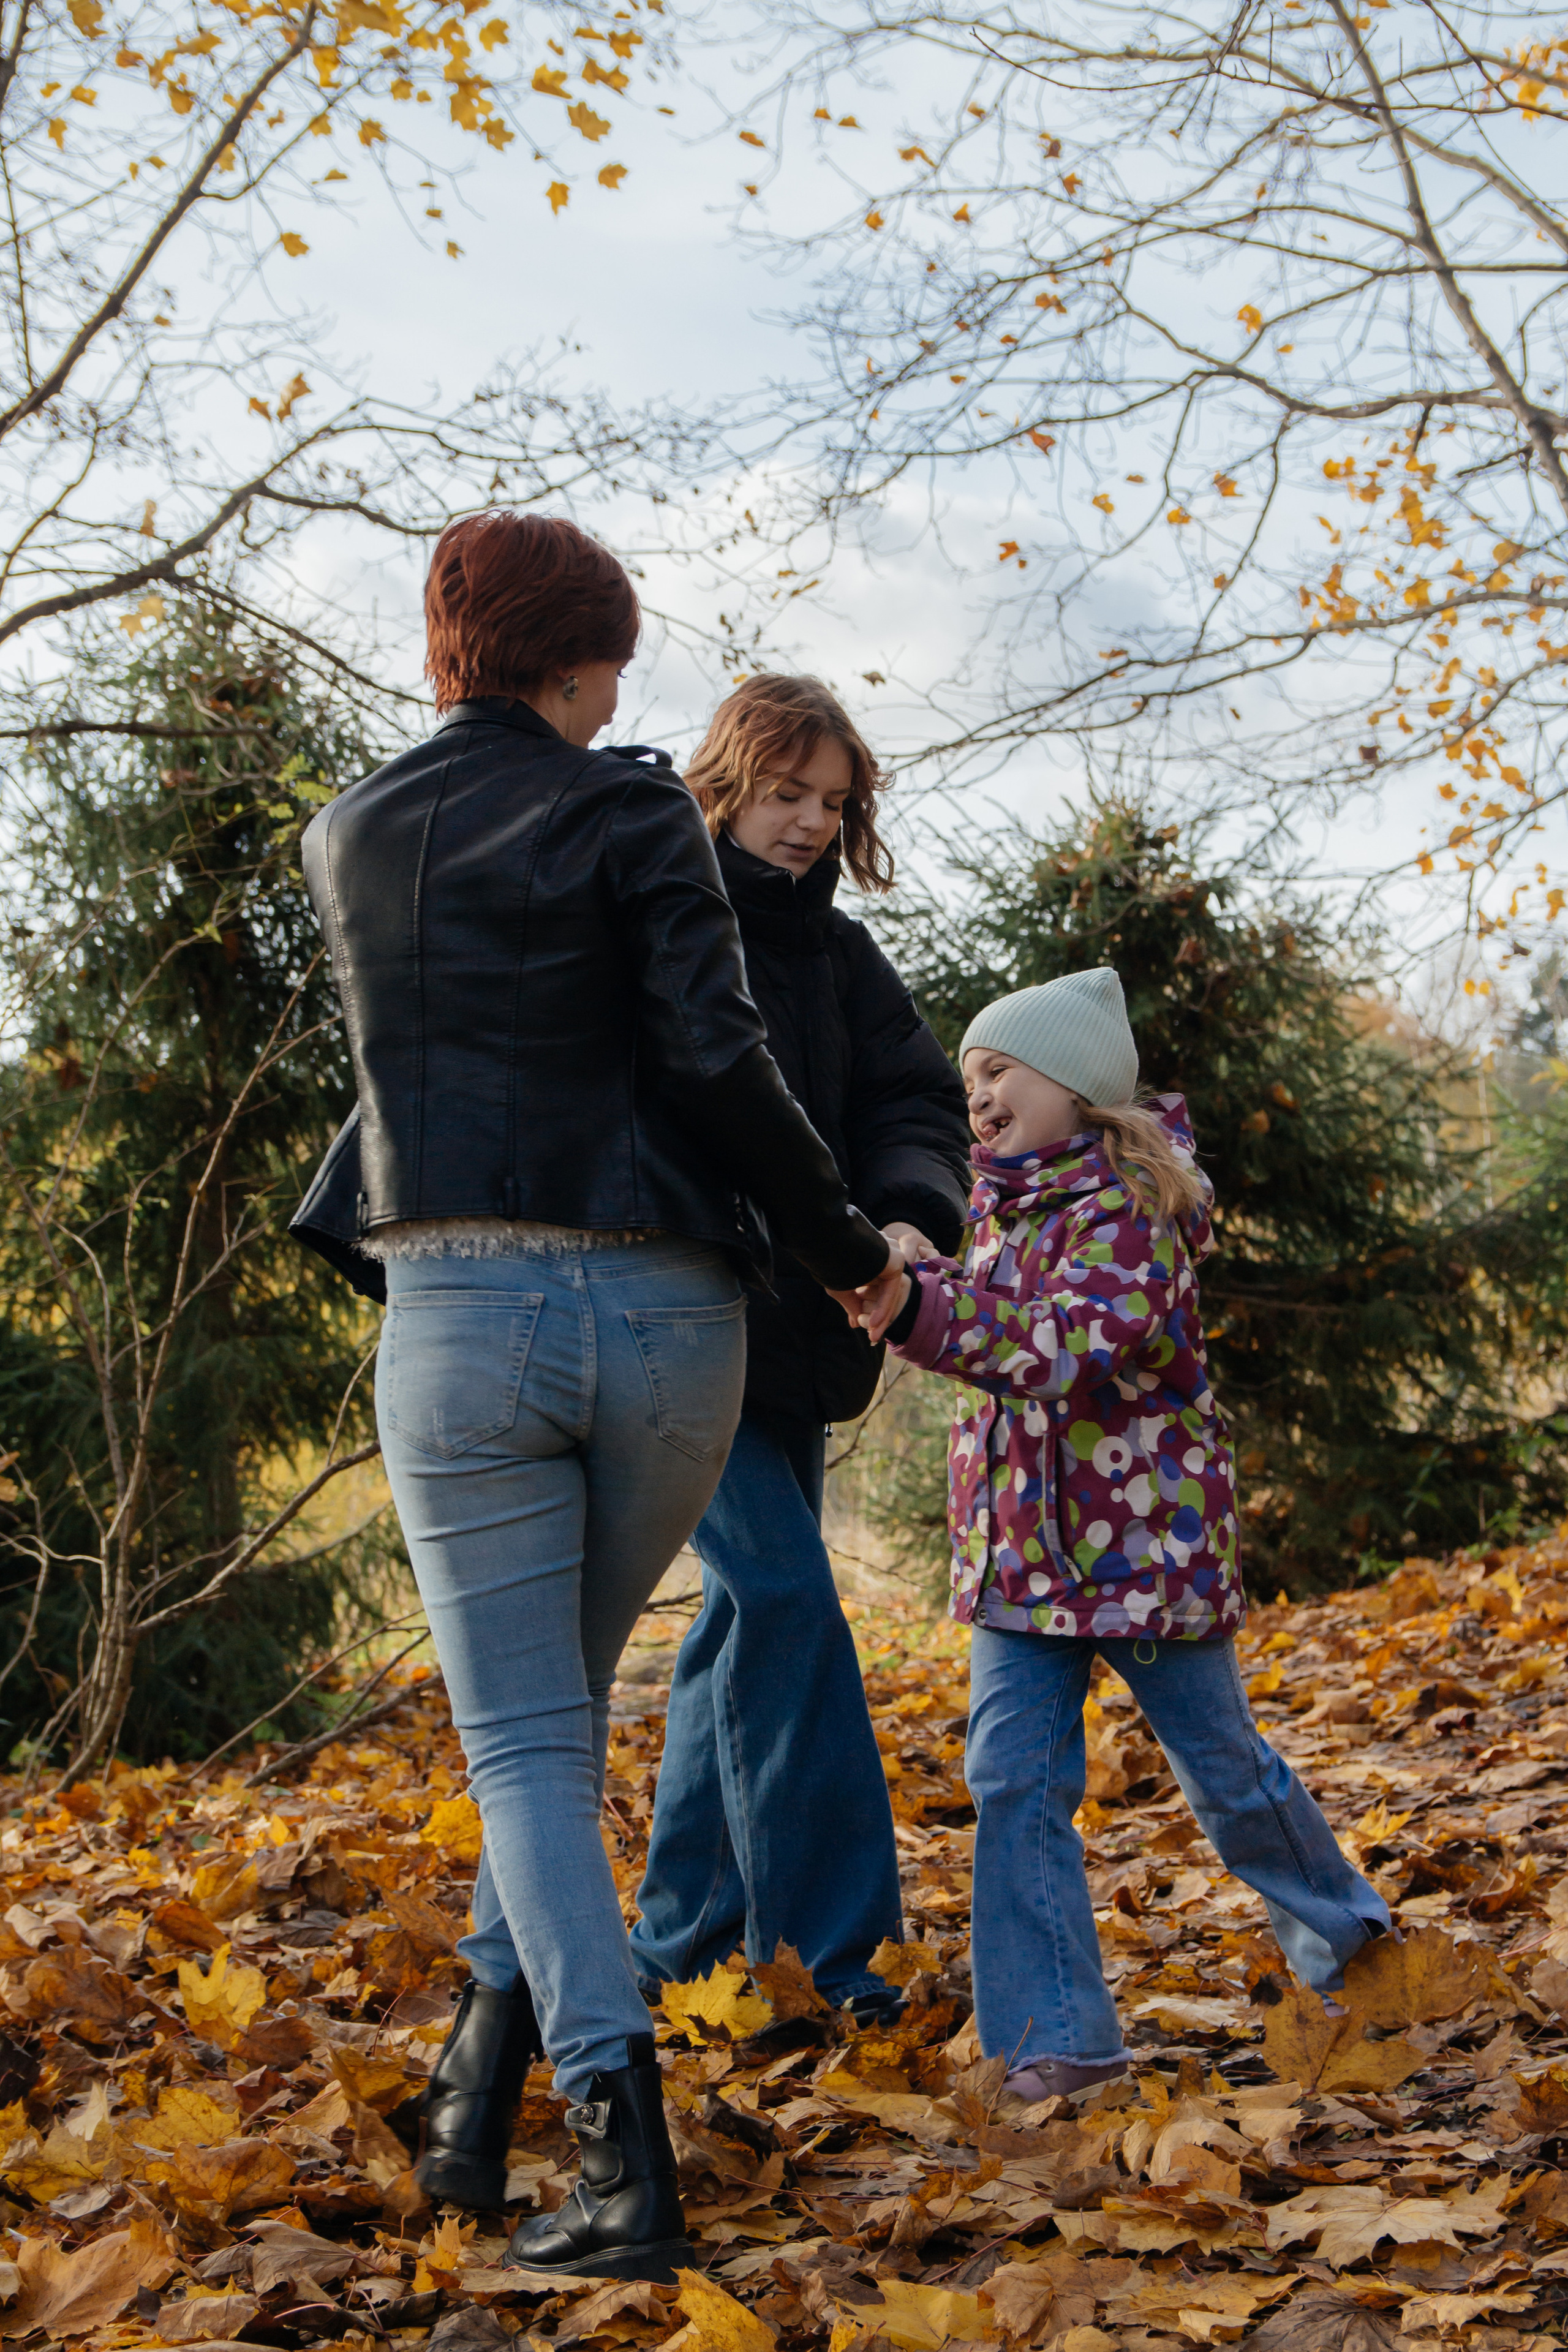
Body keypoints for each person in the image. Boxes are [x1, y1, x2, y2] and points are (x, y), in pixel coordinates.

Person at [289, 514, 901, 2280]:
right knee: (551, 1718)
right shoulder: (637, 807)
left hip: (460, 1315)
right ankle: (483, 2105)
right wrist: (847, 1241)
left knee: (531, 1745)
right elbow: (715, 1059)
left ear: (448, 647)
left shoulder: (351, 834)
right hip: (666, 1321)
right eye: (614, 657)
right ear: (584, 662)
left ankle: (623, 2166)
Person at [861, 965, 1391, 2100]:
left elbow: (1057, 1346)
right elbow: (987, 1319)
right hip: (1018, 1569)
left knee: (1226, 1777)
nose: (978, 1094)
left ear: (1077, 1084)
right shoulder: (998, 1214)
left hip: (1141, 1562)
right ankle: (1058, 2039)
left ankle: (1357, 1949)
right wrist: (912, 1274)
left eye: (999, 1069)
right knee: (1009, 1783)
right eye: (969, 1078)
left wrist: (923, 1310)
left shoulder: (1135, 1213)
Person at [622, 673, 970, 2013]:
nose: (812, 821)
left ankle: (682, 1950)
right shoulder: (657, 918)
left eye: (832, 801)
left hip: (807, 1338)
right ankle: (849, 1963)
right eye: (787, 793)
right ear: (724, 781)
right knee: (782, 1601)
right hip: (674, 1325)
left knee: (735, 1623)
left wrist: (906, 1215)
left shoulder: (839, 960)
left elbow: (915, 1098)